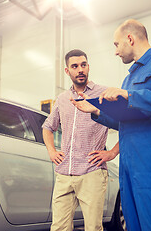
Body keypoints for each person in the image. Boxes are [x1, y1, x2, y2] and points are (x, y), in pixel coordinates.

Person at [71, 19, 151, 231]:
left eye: (116, 44)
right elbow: (125, 122)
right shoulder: (129, 78)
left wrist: (129, 95)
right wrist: (96, 111)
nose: (115, 51)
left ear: (130, 39)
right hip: (129, 167)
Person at [42, 49, 114, 231]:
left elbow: (127, 124)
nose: (80, 69)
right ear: (68, 71)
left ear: (88, 66)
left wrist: (112, 153)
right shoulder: (62, 98)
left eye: (83, 65)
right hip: (64, 173)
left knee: (93, 228)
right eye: (75, 66)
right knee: (59, 228)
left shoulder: (103, 93)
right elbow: (47, 127)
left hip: (92, 172)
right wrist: (51, 151)